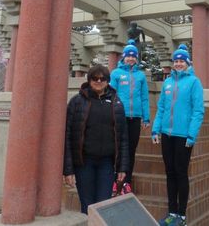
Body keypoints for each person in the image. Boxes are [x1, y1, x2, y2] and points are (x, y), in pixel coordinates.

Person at [63, 64, 129, 214]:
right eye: (95, 78)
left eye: (103, 78)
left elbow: (123, 138)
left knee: (103, 205)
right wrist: (68, 170)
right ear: (89, 79)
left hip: (106, 162)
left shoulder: (116, 103)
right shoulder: (77, 102)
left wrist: (122, 168)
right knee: (87, 205)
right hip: (84, 162)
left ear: (108, 81)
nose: (99, 81)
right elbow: (67, 136)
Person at [152, 44, 204, 226]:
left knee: (181, 173)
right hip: (166, 134)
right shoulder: (167, 83)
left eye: (182, 60)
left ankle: (181, 215)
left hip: (184, 136)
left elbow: (198, 111)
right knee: (170, 172)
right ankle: (171, 212)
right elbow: (161, 108)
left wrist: (192, 135)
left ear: (187, 62)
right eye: (176, 60)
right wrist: (155, 129)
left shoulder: (194, 82)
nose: (179, 63)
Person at [109, 39, 150, 194]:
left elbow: (145, 97)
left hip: (135, 118)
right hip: (119, 117)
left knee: (131, 150)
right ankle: (114, 181)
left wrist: (146, 118)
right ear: (123, 57)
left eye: (134, 56)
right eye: (128, 56)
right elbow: (111, 95)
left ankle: (126, 182)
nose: (131, 59)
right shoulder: (116, 74)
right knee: (118, 149)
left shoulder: (140, 76)